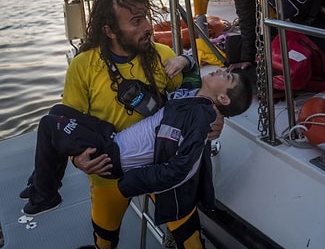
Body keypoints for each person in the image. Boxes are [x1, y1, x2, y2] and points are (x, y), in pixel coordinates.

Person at [25, 0, 226, 249]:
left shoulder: (162, 56)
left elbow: (197, 97)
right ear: (109, 30)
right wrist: (79, 160)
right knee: (104, 237)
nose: (147, 26)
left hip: (163, 166)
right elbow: (71, 122)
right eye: (135, 21)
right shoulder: (83, 66)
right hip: (109, 170)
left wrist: (216, 119)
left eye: (145, 17)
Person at [24, 67, 251, 222]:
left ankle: (46, 196)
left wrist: (132, 182)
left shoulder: (200, 116)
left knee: (48, 124)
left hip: (113, 156)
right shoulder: (193, 97)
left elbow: (184, 168)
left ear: (223, 99)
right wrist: (185, 61)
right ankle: (39, 183)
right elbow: (191, 72)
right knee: (58, 112)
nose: (221, 70)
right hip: (112, 137)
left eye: (227, 77)